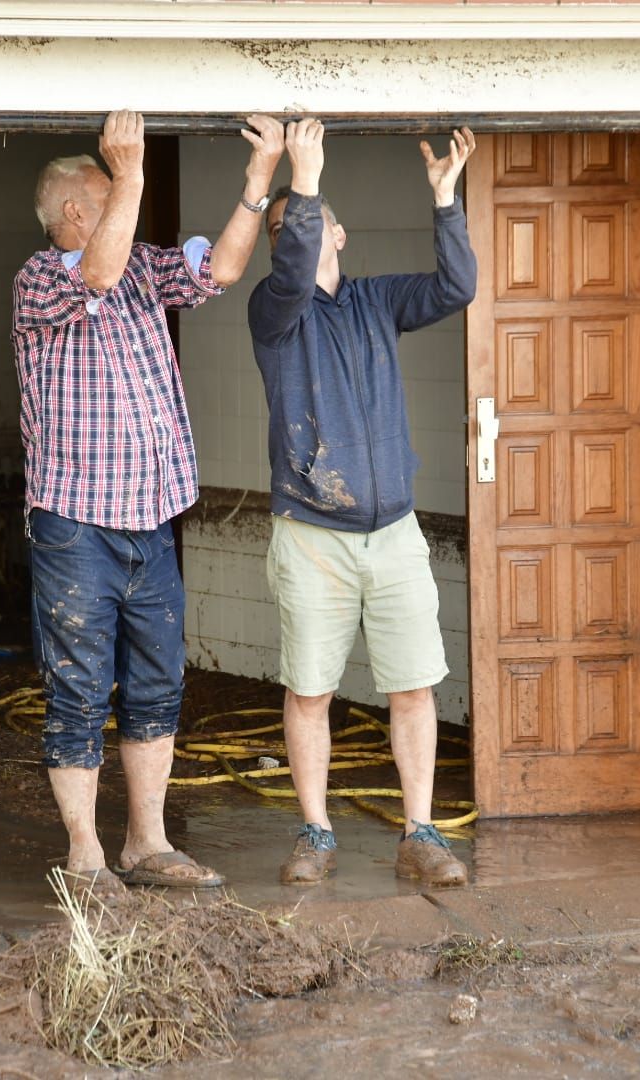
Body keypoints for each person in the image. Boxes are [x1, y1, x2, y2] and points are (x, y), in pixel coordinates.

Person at [13, 110, 285, 896]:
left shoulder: (140, 267)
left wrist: (257, 181)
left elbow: (221, 270)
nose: (128, 206)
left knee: (159, 683)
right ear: (76, 213)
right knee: (78, 686)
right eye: (112, 196)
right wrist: (128, 170)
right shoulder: (41, 278)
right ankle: (86, 856)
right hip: (76, 523)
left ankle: (146, 844)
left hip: (152, 518)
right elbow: (92, 276)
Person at [248, 119, 478, 887]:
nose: (298, 235)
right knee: (309, 690)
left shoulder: (378, 302)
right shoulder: (274, 316)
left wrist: (445, 202)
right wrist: (301, 183)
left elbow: (456, 287)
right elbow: (287, 271)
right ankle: (315, 834)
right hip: (313, 534)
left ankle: (419, 833)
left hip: (395, 532)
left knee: (413, 687)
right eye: (284, 230)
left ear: (339, 234)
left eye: (310, 223)